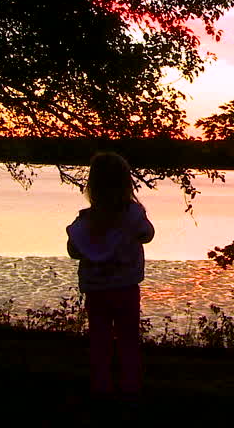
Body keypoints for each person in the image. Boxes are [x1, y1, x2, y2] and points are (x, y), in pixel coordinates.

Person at [66, 152, 155, 396]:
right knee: (128, 338)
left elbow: (73, 250)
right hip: (125, 288)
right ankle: (130, 385)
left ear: (92, 186)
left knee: (99, 338)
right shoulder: (133, 215)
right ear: (126, 183)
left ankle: (101, 384)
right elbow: (148, 235)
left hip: (96, 290)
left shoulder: (86, 220)